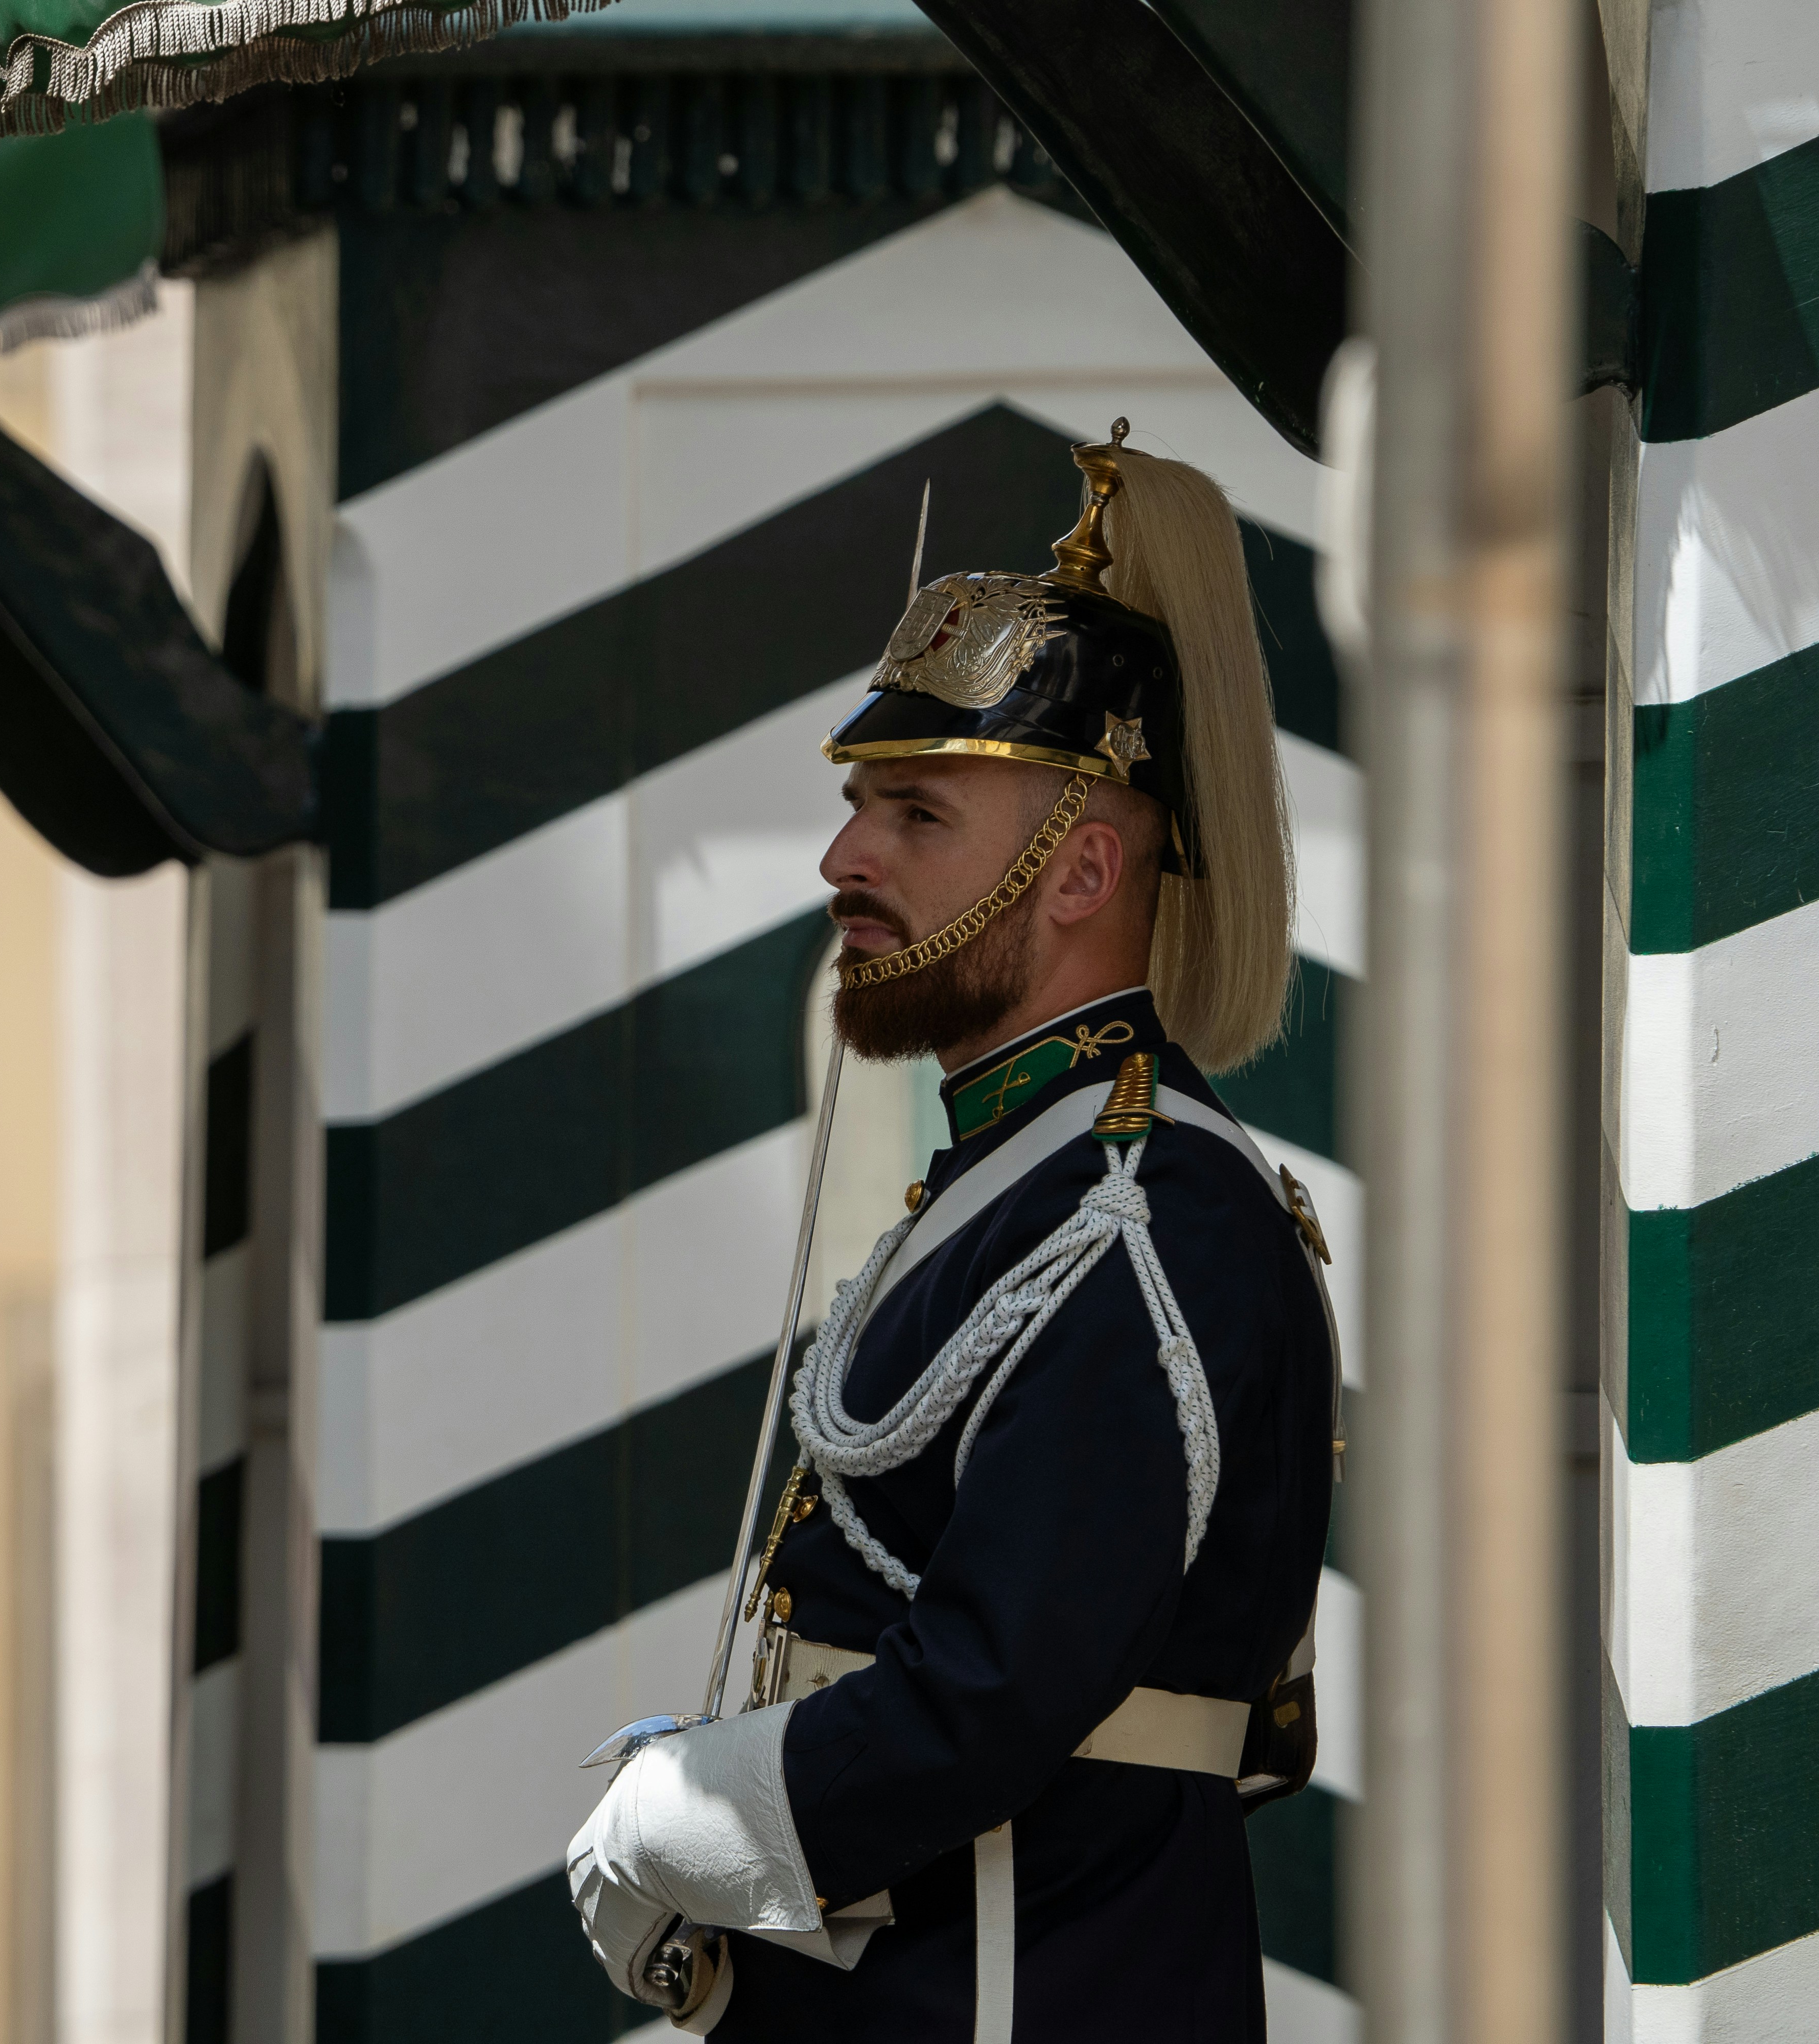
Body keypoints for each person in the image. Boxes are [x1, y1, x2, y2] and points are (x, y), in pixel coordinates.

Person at [566, 425, 1340, 2041]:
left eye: (916, 816)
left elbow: (993, 1693)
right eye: (863, 808)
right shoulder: (1031, 1175)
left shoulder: (1142, 1212)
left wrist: (685, 1812)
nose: (847, 858)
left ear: (1083, 872)